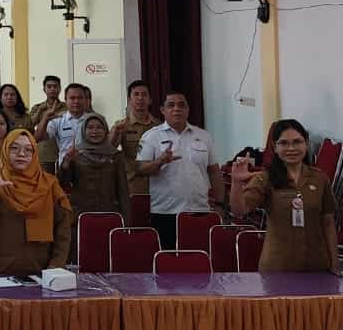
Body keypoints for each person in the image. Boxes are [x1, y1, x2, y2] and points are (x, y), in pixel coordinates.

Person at [231, 120, 337, 273]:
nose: (291, 148)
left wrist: (335, 264)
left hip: (317, 265)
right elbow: (239, 210)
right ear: (275, 147)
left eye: (297, 142)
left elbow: (328, 223)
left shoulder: (320, 178)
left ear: (306, 144)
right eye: (284, 143)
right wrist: (236, 182)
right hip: (277, 266)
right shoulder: (265, 178)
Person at [0, 128, 73, 276]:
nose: (21, 154)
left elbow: (63, 231)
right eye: (14, 148)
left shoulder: (50, 184)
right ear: (5, 150)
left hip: (41, 271)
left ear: (35, 154)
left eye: (28, 150)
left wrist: (55, 266)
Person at [135, 93, 221, 250]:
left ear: (188, 110)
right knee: (168, 264)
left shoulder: (203, 136)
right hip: (165, 212)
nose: (177, 109)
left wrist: (221, 204)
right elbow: (140, 169)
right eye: (171, 105)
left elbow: (214, 172)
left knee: (200, 260)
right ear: (162, 110)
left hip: (199, 210)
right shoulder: (151, 136)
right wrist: (159, 161)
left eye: (182, 105)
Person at [59, 113, 132, 258]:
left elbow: (123, 191)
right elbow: (63, 184)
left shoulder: (115, 156)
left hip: (109, 214)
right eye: (90, 127)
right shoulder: (76, 154)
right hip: (81, 216)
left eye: (99, 127)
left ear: (106, 131)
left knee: (107, 257)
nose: (95, 131)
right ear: (83, 131)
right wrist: (67, 162)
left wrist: (127, 223)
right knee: (82, 257)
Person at [110, 80, 162, 200]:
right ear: (129, 99)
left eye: (144, 95)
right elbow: (109, 150)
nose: (140, 98)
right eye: (136, 94)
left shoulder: (159, 126)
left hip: (158, 184)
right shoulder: (121, 125)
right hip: (132, 185)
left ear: (150, 100)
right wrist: (116, 133)